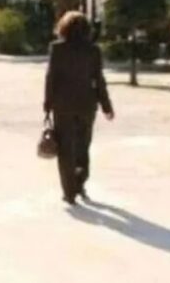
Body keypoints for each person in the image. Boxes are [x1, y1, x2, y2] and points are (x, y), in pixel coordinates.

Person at [44, 11, 114, 205]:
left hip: (63, 105)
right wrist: (106, 106)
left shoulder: (57, 48)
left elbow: (51, 77)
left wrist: (47, 103)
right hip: (86, 104)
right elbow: (98, 80)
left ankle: (69, 191)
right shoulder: (93, 50)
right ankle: (80, 181)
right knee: (83, 145)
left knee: (65, 148)